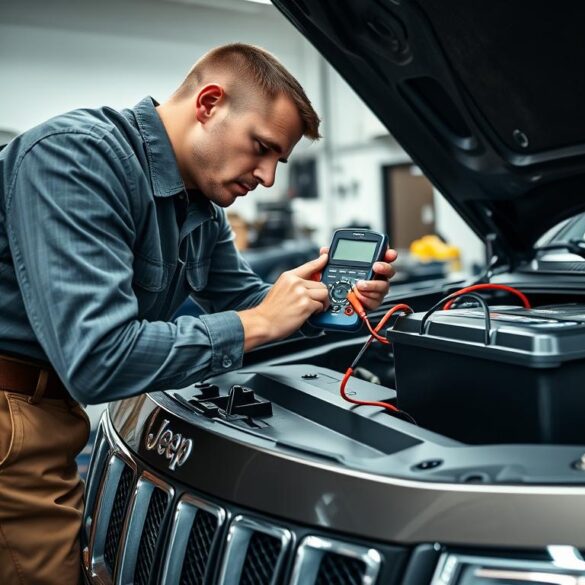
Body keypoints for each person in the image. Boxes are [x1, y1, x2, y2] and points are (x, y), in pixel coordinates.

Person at [0, 43, 397, 583]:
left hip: (49, 414)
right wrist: (257, 322)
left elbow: (243, 302)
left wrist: (311, 300)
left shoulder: (199, 207)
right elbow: (98, 359)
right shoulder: (76, 159)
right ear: (209, 103)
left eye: (278, 160)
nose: (267, 177)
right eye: (261, 147)